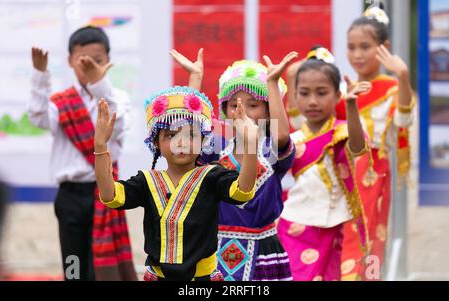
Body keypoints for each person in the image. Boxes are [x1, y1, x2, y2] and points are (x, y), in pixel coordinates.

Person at [94, 86, 259, 281]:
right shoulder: (147, 181)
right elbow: (109, 195)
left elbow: (243, 191)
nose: (181, 143)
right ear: (156, 143)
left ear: (204, 141)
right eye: (171, 136)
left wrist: (250, 145)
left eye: (191, 135)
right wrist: (100, 146)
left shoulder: (212, 176)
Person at [171, 49, 297, 280]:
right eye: (233, 105)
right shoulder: (216, 149)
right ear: (225, 110)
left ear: (268, 111)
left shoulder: (271, 151)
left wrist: (272, 83)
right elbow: (187, 136)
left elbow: (282, 136)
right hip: (214, 248)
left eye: (253, 105)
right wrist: (195, 80)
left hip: (263, 251)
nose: (242, 111)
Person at [28, 26, 136, 281]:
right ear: (69, 62)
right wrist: (40, 76)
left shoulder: (117, 98)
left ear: (108, 61)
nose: (88, 67)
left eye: (96, 61)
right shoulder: (60, 102)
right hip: (71, 196)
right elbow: (39, 118)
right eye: (82, 61)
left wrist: (100, 85)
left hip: (106, 193)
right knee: (74, 263)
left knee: (104, 266)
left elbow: (117, 127)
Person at [276, 47, 371, 281]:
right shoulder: (292, 140)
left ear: (337, 95)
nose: (313, 101)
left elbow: (358, 148)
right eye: (305, 93)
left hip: (337, 226)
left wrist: (351, 107)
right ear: (295, 97)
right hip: (296, 226)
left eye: (321, 93)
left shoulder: (344, 130)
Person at [335, 5, 415, 281]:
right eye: (351, 47)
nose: (357, 55)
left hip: (370, 173)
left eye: (365, 47)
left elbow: (404, 122)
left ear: (385, 47)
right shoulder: (344, 90)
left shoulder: (393, 88)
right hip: (339, 171)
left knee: (366, 239)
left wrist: (403, 77)